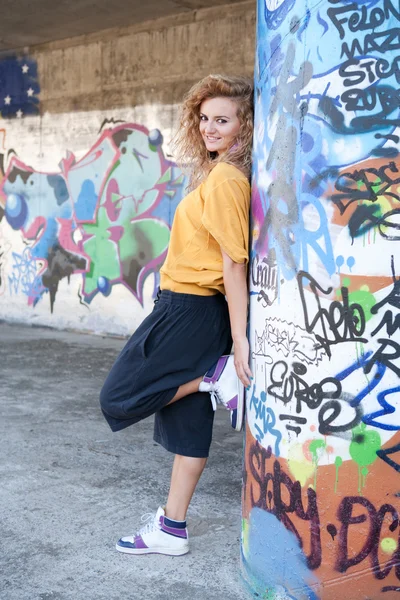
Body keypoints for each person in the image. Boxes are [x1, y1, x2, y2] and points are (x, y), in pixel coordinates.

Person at [99, 73, 254, 557]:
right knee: (187, 424)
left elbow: (234, 260)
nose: (210, 128)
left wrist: (238, 339)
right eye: (205, 118)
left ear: (245, 127)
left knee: (119, 397)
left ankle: (212, 376)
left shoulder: (226, 179)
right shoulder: (217, 173)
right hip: (194, 309)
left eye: (222, 120)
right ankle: (172, 528)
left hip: (188, 308)